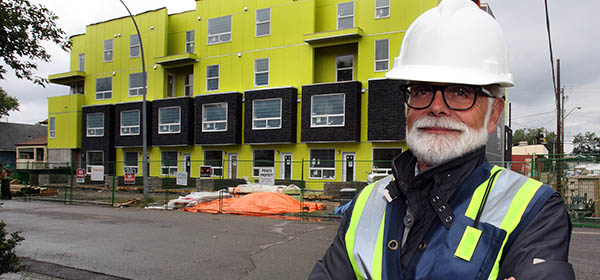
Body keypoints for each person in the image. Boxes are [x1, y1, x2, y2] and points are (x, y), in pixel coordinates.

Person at [309, 0, 574, 279]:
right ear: (408, 106)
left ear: (494, 113)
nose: (436, 107)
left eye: (460, 91)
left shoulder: (536, 210)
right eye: (422, 90)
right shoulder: (365, 203)